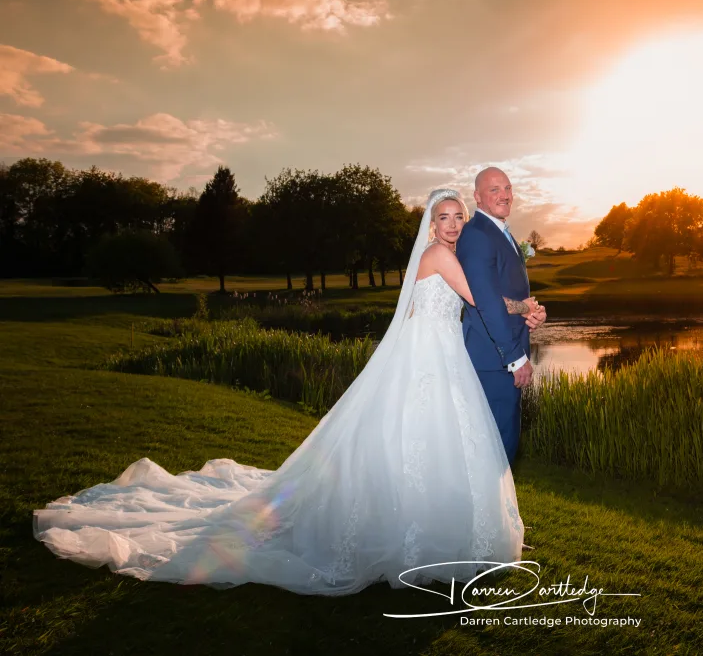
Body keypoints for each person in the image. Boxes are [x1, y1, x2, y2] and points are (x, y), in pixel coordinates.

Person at [33, 188, 535, 596]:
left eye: (458, 217)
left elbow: (427, 310)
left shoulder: (441, 256)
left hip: (435, 354)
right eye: (444, 216)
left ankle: (427, 530)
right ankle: (420, 536)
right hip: (432, 359)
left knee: (428, 442)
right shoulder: (438, 256)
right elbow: (481, 299)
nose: (452, 224)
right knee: (431, 440)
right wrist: (528, 308)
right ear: (431, 224)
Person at [457, 167, 547, 465]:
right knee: (496, 451)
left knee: (502, 446)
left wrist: (532, 314)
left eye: (507, 188)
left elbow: (509, 295)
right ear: (477, 197)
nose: (504, 194)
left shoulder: (500, 232)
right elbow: (485, 301)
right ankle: (489, 511)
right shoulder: (477, 234)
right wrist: (515, 357)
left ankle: (495, 510)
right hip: (494, 360)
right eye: (494, 189)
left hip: (504, 355)